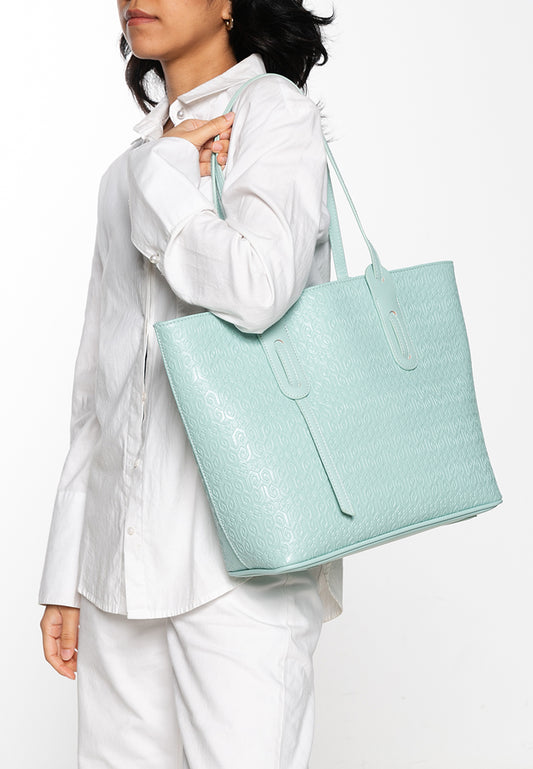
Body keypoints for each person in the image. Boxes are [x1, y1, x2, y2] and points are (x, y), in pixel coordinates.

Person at [38, 1, 343, 766]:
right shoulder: (134, 165)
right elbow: (98, 385)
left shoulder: (273, 114)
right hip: (117, 564)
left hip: (240, 560)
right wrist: (67, 571)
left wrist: (161, 182)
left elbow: (257, 286)